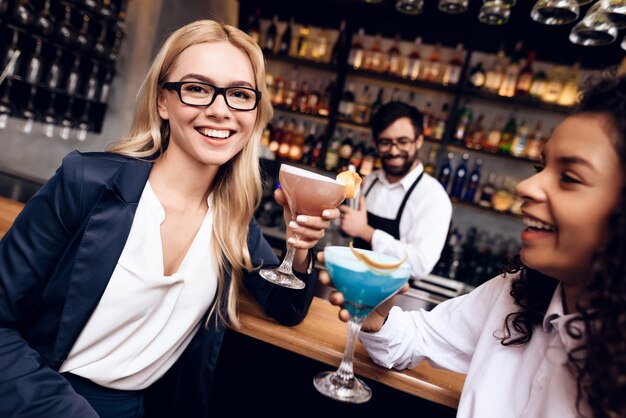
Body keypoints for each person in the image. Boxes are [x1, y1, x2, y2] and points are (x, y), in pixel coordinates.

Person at [0, 20, 339, 418]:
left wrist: (299, 250)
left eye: (239, 94)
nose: (220, 110)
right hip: (39, 399)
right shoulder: (86, 183)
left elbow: (285, 306)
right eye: (197, 88)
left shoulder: (232, 219)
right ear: (164, 101)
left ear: (254, 110)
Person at [320, 69, 626, 418]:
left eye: (569, 177)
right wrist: (379, 320)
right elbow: (413, 340)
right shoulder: (514, 294)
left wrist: (369, 232)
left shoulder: (433, 196)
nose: (526, 187)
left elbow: (420, 262)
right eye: (540, 166)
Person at [339, 101, 452, 279]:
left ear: (419, 141)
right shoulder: (369, 181)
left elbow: (420, 265)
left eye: (403, 142)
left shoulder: (433, 197)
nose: (393, 151)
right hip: (350, 281)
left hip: (392, 299)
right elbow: (347, 229)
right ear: (376, 143)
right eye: (385, 143)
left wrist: (365, 231)